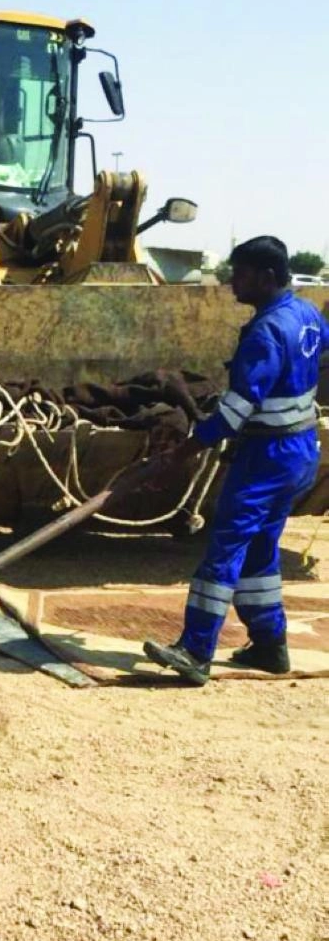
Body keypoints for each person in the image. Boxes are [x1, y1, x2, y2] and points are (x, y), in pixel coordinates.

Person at [143, 235, 328, 685]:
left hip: (268, 456)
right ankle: (270, 645)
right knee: (261, 548)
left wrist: (185, 450)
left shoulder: (266, 331)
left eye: (240, 274)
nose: (230, 283)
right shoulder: (307, 315)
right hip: (300, 452)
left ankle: (195, 650)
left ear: (267, 277)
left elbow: (235, 410)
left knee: (227, 546)